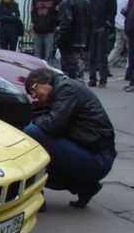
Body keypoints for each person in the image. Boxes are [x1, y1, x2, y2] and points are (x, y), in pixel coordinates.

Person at [24, 68, 116, 209]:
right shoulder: (62, 90)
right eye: (31, 93)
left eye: (34, 89)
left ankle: (36, 196)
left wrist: (35, 120)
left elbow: (53, 126)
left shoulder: (67, 89)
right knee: (43, 156)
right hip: (92, 153)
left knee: (32, 132)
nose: (35, 95)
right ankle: (85, 187)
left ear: (47, 81)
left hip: (98, 158)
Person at [55, 0, 92, 81]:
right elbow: (90, 21)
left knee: (70, 74)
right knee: (78, 73)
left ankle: (75, 95)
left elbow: (66, 23)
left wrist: (59, 40)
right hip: (81, 40)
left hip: (70, 41)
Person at [86, 0, 117, 88]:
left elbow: (112, 11)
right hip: (92, 26)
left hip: (102, 27)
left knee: (102, 55)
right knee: (91, 54)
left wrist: (107, 24)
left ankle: (103, 79)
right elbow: (89, 8)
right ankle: (92, 78)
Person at [30, 0, 58, 66]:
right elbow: (32, 12)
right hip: (38, 28)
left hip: (49, 29)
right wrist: (34, 24)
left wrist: (54, 24)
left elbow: (57, 13)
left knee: (48, 52)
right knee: (37, 52)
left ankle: (47, 68)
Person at [107, 0, 130, 74]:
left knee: (117, 47)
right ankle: (129, 70)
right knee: (130, 48)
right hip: (126, 25)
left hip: (118, 23)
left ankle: (107, 65)